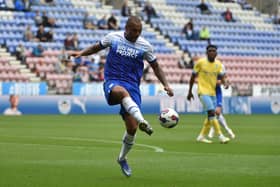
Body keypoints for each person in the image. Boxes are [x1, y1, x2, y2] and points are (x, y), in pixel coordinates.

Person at [69, 16, 174, 177]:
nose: (137, 34)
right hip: (113, 81)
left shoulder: (145, 46)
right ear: (126, 28)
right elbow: (96, 47)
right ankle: (143, 121)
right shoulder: (113, 37)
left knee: (131, 129)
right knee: (121, 93)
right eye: (134, 31)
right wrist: (81, 53)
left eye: (139, 31)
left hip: (133, 86)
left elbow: (156, 66)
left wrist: (166, 84)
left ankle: (122, 158)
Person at [187, 44, 230, 144]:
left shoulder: (218, 64)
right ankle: (220, 136)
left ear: (216, 53)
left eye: (213, 51)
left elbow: (222, 76)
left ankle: (201, 136)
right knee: (211, 112)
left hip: (212, 93)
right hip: (203, 92)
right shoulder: (200, 63)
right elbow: (192, 77)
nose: (211, 52)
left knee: (211, 115)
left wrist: (225, 83)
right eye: (210, 51)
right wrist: (189, 91)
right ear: (206, 53)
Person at [208, 69, 235, 139]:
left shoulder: (219, 66)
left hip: (217, 92)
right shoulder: (207, 67)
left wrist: (226, 83)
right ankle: (227, 129)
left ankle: (216, 129)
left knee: (217, 111)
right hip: (208, 92)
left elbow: (224, 78)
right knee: (213, 112)